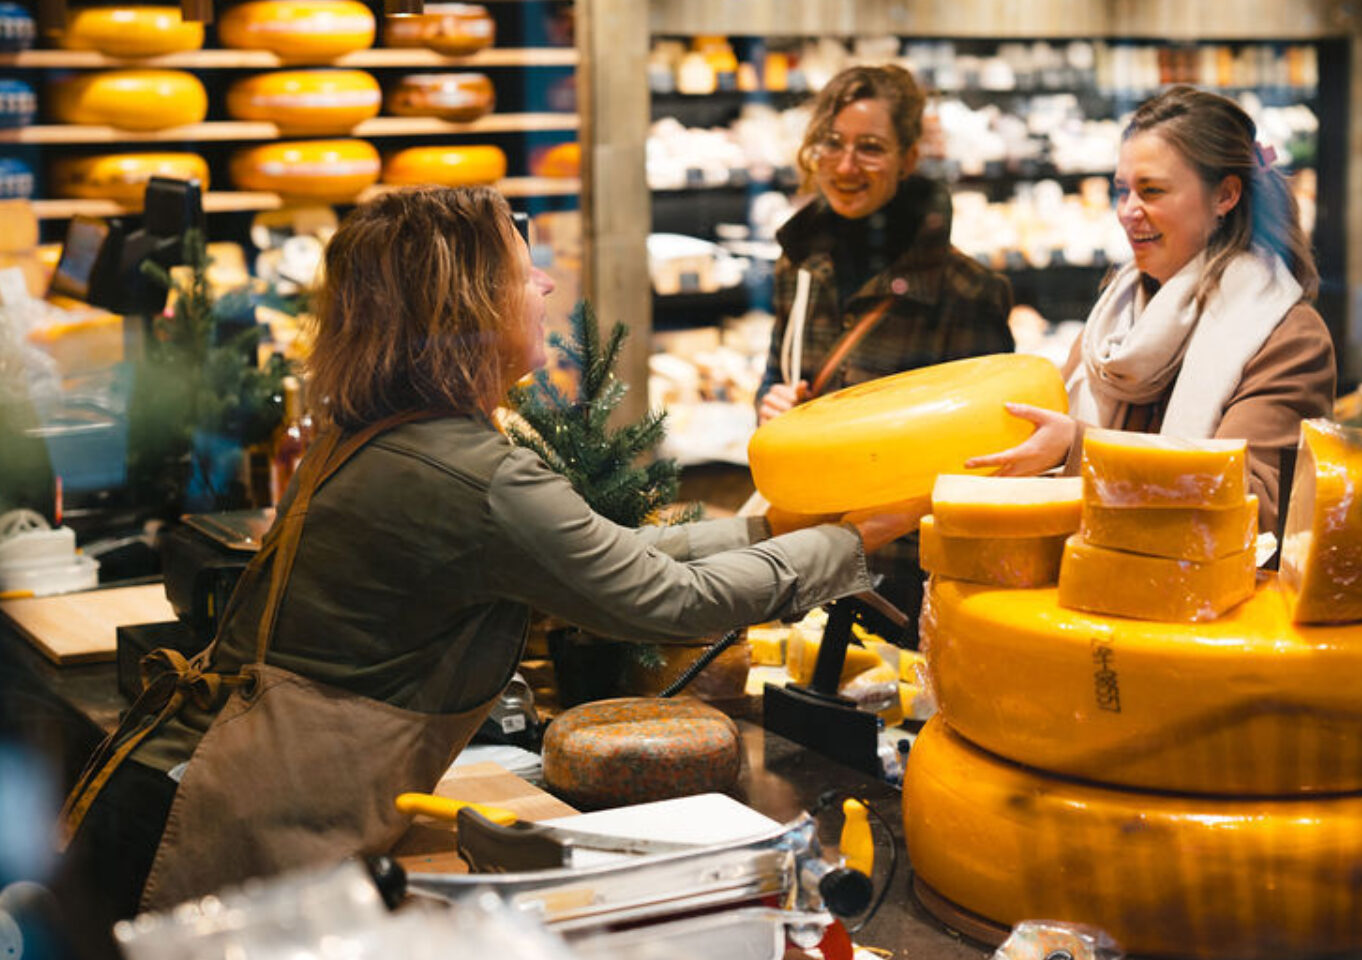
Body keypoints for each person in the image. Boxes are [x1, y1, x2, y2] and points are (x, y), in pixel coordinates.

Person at [53, 187, 920, 954]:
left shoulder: (396, 431)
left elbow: (623, 554)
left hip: (186, 789)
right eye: (522, 271)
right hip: (205, 829)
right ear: (465, 303)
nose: (544, 287)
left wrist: (772, 528)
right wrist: (850, 543)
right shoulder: (470, 472)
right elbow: (667, 598)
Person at [968, 85, 1334, 529]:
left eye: (1152, 191)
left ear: (1225, 196)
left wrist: (1079, 451)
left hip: (1208, 594)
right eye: (1123, 191)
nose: (1128, 212)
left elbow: (1253, 500)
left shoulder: (1287, 337)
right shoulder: (1115, 317)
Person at [755, 63, 1014, 630]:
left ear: (909, 157)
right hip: (805, 557)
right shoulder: (798, 265)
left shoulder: (963, 292)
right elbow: (776, 373)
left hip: (905, 583)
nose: (846, 167)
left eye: (870, 148)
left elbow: (989, 462)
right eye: (833, 144)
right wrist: (773, 412)